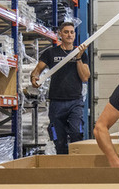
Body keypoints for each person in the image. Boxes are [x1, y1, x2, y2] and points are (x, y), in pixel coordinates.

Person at [31, 22, 89, 155]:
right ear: (60, 34)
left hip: (75, 101)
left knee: (76, 133)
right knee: (59, 140)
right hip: (56, 102)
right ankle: (64, 167)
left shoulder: (80, 53)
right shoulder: (51, 53)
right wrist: (34, 78)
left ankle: (77, 164)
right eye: (66, 32)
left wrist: (78, 58)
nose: (69, 35)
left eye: (72, 32)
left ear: (75, 35)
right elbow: (37, 71)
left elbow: (85, 77)